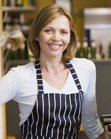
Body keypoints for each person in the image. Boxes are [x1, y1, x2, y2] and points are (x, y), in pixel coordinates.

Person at [0, 4, 106, 139]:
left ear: (70, 37)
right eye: (48, 30)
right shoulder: (20, 76)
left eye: (63, 32)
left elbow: (91, 125)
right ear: (37, 35)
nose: (56, 37)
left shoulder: (85, 69)